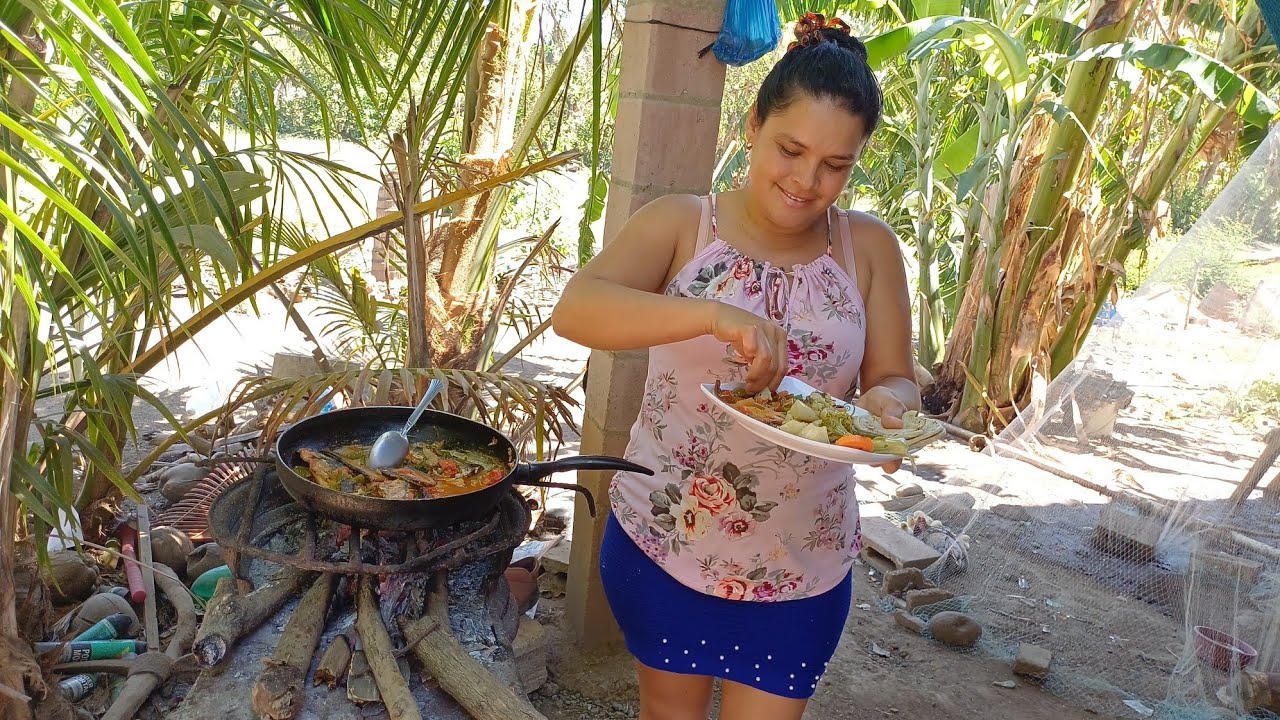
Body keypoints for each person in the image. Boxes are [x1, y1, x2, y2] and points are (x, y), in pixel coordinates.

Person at [551, 12, 920, 720]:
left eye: (836, 165)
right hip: (666, 539)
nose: (807, 181)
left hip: (801, 560)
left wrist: (888, 408)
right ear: (752, 124)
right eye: (791, 149)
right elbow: (576, 310)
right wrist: (713, 313)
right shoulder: (683, 224)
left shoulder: (868, 248)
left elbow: (893, 374)